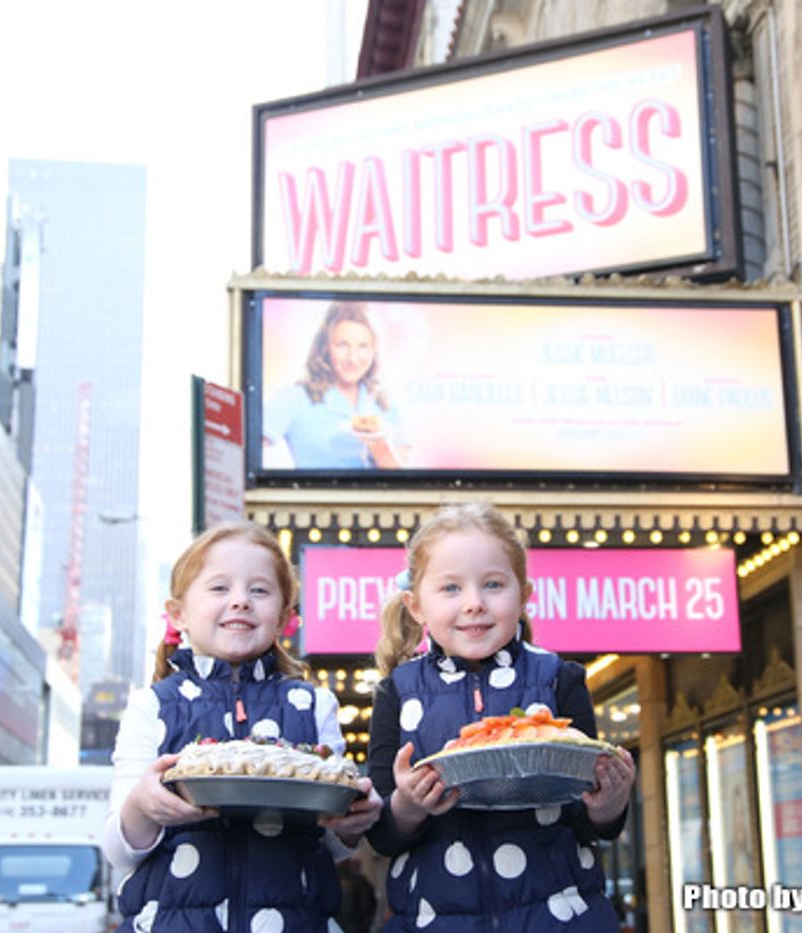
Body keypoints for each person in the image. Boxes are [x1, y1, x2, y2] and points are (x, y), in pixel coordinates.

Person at [365, 503, 635, 931]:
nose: (474, 604)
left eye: (492, 584)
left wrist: (609, 805)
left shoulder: (560, 679)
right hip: (434, 919)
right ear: (416, 606)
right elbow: (381, 833)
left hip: (560, 916)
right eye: (451, 589)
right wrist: (408, 805)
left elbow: (589, 822)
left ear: (524, 595)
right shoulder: (396, 691)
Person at [103, 521, 383, 932]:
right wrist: (142, 806)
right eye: (219, 588)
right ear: (178, 614)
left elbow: (333, 845)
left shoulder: (314, 704)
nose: (240, 601)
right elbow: (118, 850)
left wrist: (352, 821)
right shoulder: (152, 706)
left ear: (285, 616)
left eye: (259, 590)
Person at [262, 301, 407, 469]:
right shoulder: (294, 398)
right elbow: (245, 454)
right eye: (342, 345)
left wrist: (379, 444)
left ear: (374, 351)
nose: (352, 358)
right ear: (325, 347)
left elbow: (404, 485)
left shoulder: (386, 405)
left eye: (363, 346)